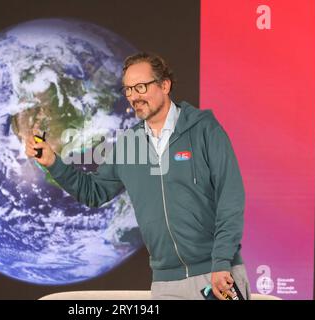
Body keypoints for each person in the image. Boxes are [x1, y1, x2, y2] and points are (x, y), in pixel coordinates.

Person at [25, 52, 251, 300]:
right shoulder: (128, 144)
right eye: (128, 89)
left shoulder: (204, 129)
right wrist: (52, 162)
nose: (133, 96)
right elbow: (93, 192)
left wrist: (221, 262)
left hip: (216, 274)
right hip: (166, 284)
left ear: (165, 85)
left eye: (141, 87)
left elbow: (230, 198)